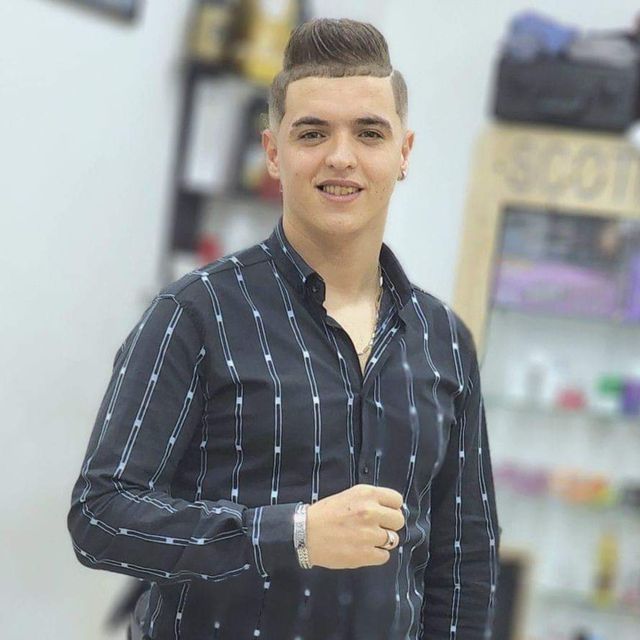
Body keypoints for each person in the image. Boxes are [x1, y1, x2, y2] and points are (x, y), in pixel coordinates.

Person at [68, 17, 500, 640]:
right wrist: (291, 535)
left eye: (369, 132)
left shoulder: (444, 341)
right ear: (273, 152)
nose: (341, 156)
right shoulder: (195, 314)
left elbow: (465, 561)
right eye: (313, 132)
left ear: (403, 152)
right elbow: (101, 516)